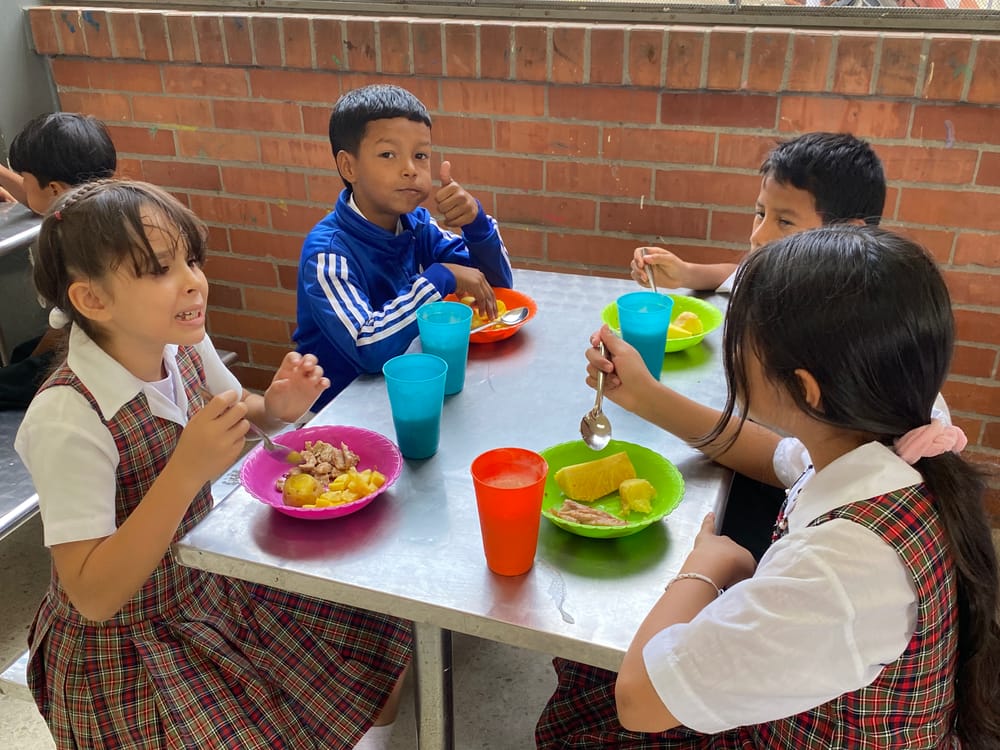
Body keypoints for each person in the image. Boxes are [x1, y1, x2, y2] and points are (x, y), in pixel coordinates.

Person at [537, 226, 1000, 749]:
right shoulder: (892, 434)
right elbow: (771, 455)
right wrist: (644, 395)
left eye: (742, 342)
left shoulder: (842, 568)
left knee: (590, 710)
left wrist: (708, 566)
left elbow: (640, 699)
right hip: (810, 706)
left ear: (805, 390)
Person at [14, 180, 412, 749]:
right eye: (158, 269)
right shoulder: (67, 418)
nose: (192, 281)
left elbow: (238, 411)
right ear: (92, 300)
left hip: (205, 584)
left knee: (376, 631)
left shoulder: (180, 346)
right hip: (127, 649)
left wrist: (275, 408)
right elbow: (94, 594)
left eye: (189, 259)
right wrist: (184, 472)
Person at [294, 84, 514, 410]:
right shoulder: (328, 255)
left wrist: (476, 224)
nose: (410, 168)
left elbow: (495, 286)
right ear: (348, 167)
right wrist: (441, 277)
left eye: (420, 155)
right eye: (388, 154)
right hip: (336, 412)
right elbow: (367, 346)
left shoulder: (416, 223)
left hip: (405, 391)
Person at [630, 132, 886, 294]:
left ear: (848, 234)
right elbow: (739, 276)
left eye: (785, 221)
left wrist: (642, 384)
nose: (758, 236)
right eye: (760, 213)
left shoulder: (847, 321)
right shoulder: (786, 275)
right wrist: (685, 273)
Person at [0, 112, 117, 410]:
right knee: (20, 354)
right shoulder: (108, 209)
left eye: (26, 181)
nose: (24, 190)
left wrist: (33, 365)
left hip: (90, 354)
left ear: (54, 190)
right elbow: (37, 198)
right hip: (114, 343)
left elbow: (62, 329)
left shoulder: (73, 243)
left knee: (15, 372)